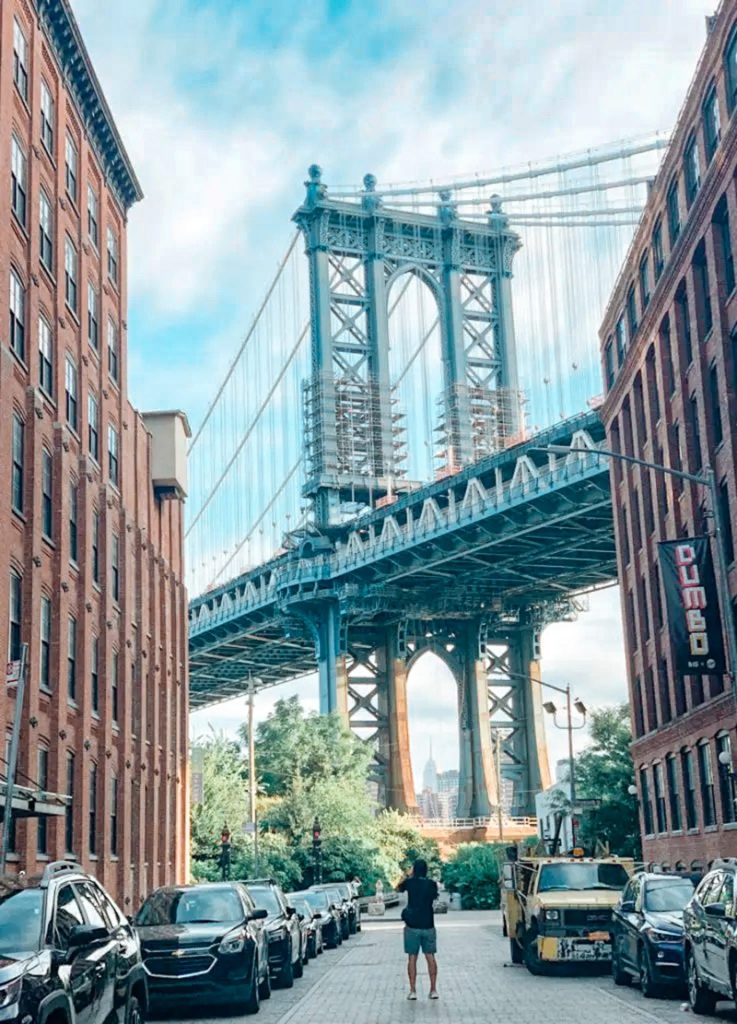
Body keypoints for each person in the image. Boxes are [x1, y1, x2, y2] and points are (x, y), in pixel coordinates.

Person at [397, 858, 439, 1000]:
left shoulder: (410, 883)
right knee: (430, 956)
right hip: (428, 924)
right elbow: (434, 897)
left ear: (414, 869)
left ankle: (413, 990)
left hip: (412, 926)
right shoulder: (432, 884)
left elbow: (397, 888)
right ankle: (433, 990)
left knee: (412, 958)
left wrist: (409, 876)